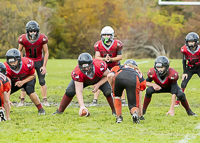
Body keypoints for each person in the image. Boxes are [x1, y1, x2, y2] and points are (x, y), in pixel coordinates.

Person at [17, 20, 50, 107]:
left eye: (34, 31)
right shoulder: (23, 38)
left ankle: (45, 100)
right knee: (24, 80)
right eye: (31, 31)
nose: (33, 33)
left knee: (42, 81)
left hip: (39, 60)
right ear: (27, 31)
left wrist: (44, 66)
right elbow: (19, 51)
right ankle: (22, 100)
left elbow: (46, 52)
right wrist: (21, 61)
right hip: (27, 61)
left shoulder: (42, 38)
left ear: (37, 31)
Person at [4, 48, 45, 115]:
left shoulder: (27, 63)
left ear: (19, 59)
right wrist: (7, 100)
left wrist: (23, 82)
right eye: (10, 62)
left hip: (27, 79)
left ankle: (41, 109)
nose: (12, 64)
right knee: (3, 92)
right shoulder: (6, 67)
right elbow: (8, 84)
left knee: (30, 90)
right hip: (14, 81)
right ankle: (2, 109)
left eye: (14, 62)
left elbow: (33, 75)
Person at [92, 26, 126, 106]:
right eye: (104, 35)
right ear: (101, 35)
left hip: (115, 65)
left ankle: (123, 100)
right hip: (103, 67)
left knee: (120, 80)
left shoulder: (117, 44)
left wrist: (110, 59)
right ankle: (95, 100)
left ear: (112, 35)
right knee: (100, 81)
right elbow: (97, 57)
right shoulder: (98, 44)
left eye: (108, 35)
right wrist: (104, 59)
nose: (106, 37)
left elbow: (120, 57)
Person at [107, 59, 146, 123]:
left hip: (119, 77)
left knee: (117, 96)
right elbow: (142, 86)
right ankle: (135, 113)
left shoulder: (119, 67)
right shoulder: (138, 72)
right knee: (133, 105)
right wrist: (140, 115)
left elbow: (109, 76)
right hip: (133, 79)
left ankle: (119, 117)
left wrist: (113, 88)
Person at [175, 32, 200, 107]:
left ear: (196, 42)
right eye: (189, 42)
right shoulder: (184, 49)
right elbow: (184, 60)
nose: (190, 44)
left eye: (192, 42)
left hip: (199, 68)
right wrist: (184, 72)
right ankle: (178, 101)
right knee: (183, 84)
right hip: (189, 68)